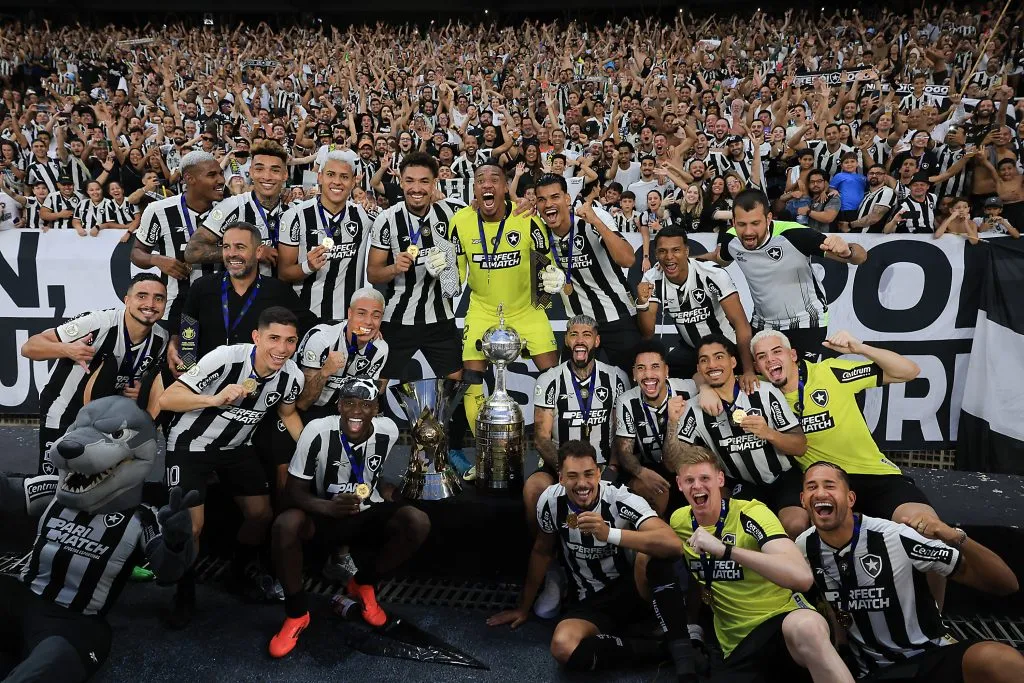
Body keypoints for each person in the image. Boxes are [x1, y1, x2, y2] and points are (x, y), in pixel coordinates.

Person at [797, 462, 1024, 682]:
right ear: (803, 501)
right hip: (873, 672)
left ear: (850, 499)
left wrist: (958, 538)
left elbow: (1006, 584)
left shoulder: (895, 537)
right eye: (812, 487)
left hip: (928, 658)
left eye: (829, 485)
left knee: (998, 660)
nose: (820, 492)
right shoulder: (803, 547)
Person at [157, 306, 305, 627]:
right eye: (274, 338)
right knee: (192, 526)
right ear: (256, 337)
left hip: (237, 448)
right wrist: (215, 399)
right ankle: (184, 593)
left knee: (261, 515)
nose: (281, 349)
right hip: (190, 445)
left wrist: (313, 451)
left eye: (290, 341)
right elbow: (167, 399)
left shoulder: (292, 375)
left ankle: (235, 575)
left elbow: (288, 414)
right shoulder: (225, 358)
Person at [487, 440, 687, 674]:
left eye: (588, 474)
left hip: (631, 589)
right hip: (590, 599)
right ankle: (655, 651)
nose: (582, 484)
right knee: (563, 645)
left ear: (599, 474)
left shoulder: (620, 498)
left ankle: (676, 646)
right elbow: (542, 551)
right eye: (572, 476)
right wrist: (523, 608)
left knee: (650, 553)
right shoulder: (551, 502)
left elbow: (673, 544)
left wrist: (609, 533)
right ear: (561, 478)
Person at [269, 377, 430, 657]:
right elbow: (292, 492)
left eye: (365, 404)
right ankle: (296, 614)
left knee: (417, 521)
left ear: (377, 408)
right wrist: (327, 507)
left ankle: (364, 584)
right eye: (350, 403)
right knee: (286, 524)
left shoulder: (388, 431)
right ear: (339, 405)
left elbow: (375, 474)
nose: (357, 411)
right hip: (323, 516)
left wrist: (393, 492)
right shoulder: (317, 431)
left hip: (364, 515)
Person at [671, 449, 856, 683]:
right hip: (737, 645)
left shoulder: (751, 512)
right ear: (679, 484)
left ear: (720, 479)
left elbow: (801, 577)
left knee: (808, 627)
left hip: (782, 622)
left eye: (704, 478)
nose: (697, 486)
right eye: (689, 480)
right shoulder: (679, 521)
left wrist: (727, 551)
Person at [748, 329, 938, 529]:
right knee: (807, 529)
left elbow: (909, 371)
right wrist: (709, 390)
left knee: (926, 526)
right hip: (824, 485)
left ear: (793, 355)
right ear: (757, 367)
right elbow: (720, 378)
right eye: (762, 356)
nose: (770, 359)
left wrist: (860, 348)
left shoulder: (830, 372)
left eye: (777, 351)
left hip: (874, 473)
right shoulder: (757, 390)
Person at [450, 161, 563, 438]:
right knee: (472, 378)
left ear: (504, 188)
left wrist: (552, 283)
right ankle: (485, 453)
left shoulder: (528, 218)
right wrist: (442, 270)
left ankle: (553, 449)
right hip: (482, 310)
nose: (487, 184)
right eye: (480, 180)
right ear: (474, 189)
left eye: (494, 179)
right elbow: (453, 283)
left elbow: (545, 272)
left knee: (555, 378)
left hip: (527, 310)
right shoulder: (460, 221)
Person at [530, 315, 629, 616]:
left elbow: (621, 430)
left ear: (596, 341)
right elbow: (542, 437)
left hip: (603, 465)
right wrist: (565, 473)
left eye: (587, 334)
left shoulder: (616, 377)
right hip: (559, 465)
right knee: (533, 488)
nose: (580, 340)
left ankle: (627, 574)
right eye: (573, 334)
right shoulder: (549, 379)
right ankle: (552, 569)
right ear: (567, 341)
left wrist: (611, 469)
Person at [22, 274, 169, 475]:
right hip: (65, 409)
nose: (150, 304)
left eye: (158, 298)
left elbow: (146, 375)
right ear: (127, 300)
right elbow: (29, 347)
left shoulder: (161, 338)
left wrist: (141, 389)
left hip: (105, 420)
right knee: (53, 481)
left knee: (95, 483)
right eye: (142, 296)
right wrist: (67, 350)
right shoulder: (98, 323)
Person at [666, 334, 808, 537]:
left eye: (718, 357)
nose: (712, 364)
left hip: (782, 477)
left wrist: (768, 433)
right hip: (742, 485)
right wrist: (672, 422)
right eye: (704, 360)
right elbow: (673, 463)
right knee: (748, 533)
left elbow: (801, 446)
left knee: (794, 525)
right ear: (698, 368)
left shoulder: (763, 392)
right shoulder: (694, 408)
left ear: (733, 361)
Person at [704, 190, 867, 360]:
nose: (748, 232)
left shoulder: (795, 234)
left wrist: (848, 250)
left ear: (768, 219)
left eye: (755, 223)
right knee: (763, 381)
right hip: (763, 325)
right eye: (742, 224)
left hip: (806, 323)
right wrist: (686, 259)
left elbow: (860, 258)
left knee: (799, 382)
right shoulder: (731, 240)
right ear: (733, 222)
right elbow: (719, 258)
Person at [367, 151, 464, 382]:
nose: (416, 188)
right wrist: (394, 268)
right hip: (397, 318)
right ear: (400, 182)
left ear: (434, 184)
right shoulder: (387, 219)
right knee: (379, 382)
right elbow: (373, 274)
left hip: (441, 317)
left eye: (424, 181)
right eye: (409, 181)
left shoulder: (451, 214)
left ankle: (445, 420)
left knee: (455, 383)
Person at [535, 174, 641, 374]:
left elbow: (628, 259)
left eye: (555, 197)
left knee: (633, 381)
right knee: (570, 388)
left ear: (567, 199)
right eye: (542, 199)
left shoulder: (590, 220)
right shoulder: (538, 230)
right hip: (578, 325)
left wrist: (596, 222)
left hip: (616, 316)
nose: (548, 204)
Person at [131, 150, 225, 361]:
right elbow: (137, 253)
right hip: (175, 309)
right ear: (189, 179)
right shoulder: (158, 210)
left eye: (220, 173)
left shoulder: (228, 209)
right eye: (212, 175)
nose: (221, 180)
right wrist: (156, 259)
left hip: (220, 308)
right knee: (180, 369)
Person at [637, 226, 754, 383]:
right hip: (691, 348)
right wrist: (642, 304)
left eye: (676, 250)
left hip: (727, 346)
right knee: (665, 378)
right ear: (656, 254)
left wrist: (748, 370)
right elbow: (647, 333)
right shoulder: (652, 278)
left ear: (686, 251)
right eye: (663, 251)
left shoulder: (712, 273)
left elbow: (740, 323)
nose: (669, 257)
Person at [278, 149, 373, 321]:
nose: (337, 182)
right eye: (331, 174)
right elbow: (284, 273)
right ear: (320, 177)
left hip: (346, 320)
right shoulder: (296, 216)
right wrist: (308, 266)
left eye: (344, 177)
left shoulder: (363, 216)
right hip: (304, 315)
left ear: (353, 182)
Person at [612, 338, 696, 517]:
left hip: (688, 467)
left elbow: (715, 380)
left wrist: (709, 392)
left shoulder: (690, 389)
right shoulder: (626, 401)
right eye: (641, 368)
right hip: (649, 467)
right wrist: (641, 472)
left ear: (666, 371)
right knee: (652, 489)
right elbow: (624, 452)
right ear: (633, 374)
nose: (648, 375)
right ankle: (655, 537)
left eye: (655, 367)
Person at [184, 140, 291, 278]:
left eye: (275, 170)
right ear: (251, 172)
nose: (267, 176)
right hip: (238, 296)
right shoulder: (231, 207)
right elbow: (193, 251)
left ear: (285, 175)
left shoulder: (293, 209)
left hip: (282, 295)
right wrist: (253, 253)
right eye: (259, 169)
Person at [295, 287, 389, 418]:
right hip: (309, 411)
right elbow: (302, 403)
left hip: (344, 413)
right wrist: (324, 372)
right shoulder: (321, 338)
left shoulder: (380, 349)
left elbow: (364, 398)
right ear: (350, 314)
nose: (368, 321)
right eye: (361, 313)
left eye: (376, 316)